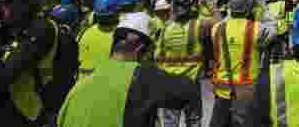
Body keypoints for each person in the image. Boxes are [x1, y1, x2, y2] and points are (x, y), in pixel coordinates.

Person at [56, 11, 200, 126]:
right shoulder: (143, 77)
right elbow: (190, 90)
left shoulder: (78, 89)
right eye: (150, 51)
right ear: (140, 48)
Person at [210, 0, 266, 127]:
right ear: (249, 7)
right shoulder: (258, 29)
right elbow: (275, 29)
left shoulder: (217, 28)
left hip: (222, 92)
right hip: (246, 93)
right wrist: (263, 8)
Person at [155, 0, 206, 127]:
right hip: (191, 82)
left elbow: (158, 57)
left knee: (170, 123)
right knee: (193, 121)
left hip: (170, 83)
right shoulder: (198, 26)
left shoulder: (166, 28)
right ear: (190, 8)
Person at [77, 0, 122, 81]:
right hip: (106, 88)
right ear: (118, 10)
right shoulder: (122, 35)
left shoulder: (84, 33)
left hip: (82, 89)